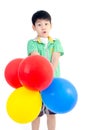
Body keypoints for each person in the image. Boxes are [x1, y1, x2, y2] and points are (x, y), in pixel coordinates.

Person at [27, 10, 64, 130]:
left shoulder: (56, 42)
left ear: (51, 25)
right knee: (36, 114)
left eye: (46, 24)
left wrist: (49, 76)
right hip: (37, 84)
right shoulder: (32, 43)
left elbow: (55, 58)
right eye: (39, 24)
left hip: (52, 84)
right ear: (34, 27)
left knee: (51, 114)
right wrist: (44, 77)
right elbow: (36, 59)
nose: (43, 27)